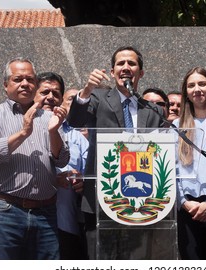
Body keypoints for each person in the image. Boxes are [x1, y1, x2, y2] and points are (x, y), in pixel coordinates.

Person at [67, 46, 164, 259]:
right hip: (100, 200)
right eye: (121, 63)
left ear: (141, 72)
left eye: (132, 63)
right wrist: (86, 90)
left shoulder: (154, 110)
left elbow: (160, 153)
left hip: (142, 202)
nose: (126, 67)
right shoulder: (98, 98)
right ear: (112, 72)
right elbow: (74, 120)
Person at [0, 58, 70, 260]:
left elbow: (62, 160)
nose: (25, 84)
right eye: (18, 79)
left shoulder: (48, 117)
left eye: (30, 79)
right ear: (5, 85)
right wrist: (23, 133)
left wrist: (54, 132)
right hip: (7, 211)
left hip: (45, 212)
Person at [33, 72, 89, 260]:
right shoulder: (22, 129)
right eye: (44, 92)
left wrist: (82, 181)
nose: (50, 97)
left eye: (56, 93)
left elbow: (91, 174)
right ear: (34, 94)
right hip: (27, 222)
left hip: (66, 224)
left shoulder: (76, 137)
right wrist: (53, 178)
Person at [174, 67, 206, 260]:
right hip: (187, 207)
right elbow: (170, 169)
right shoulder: (176, 126)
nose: (197, 89)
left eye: (202, 84)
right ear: (186, 93)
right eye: (191, 85)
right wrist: (183, 201)